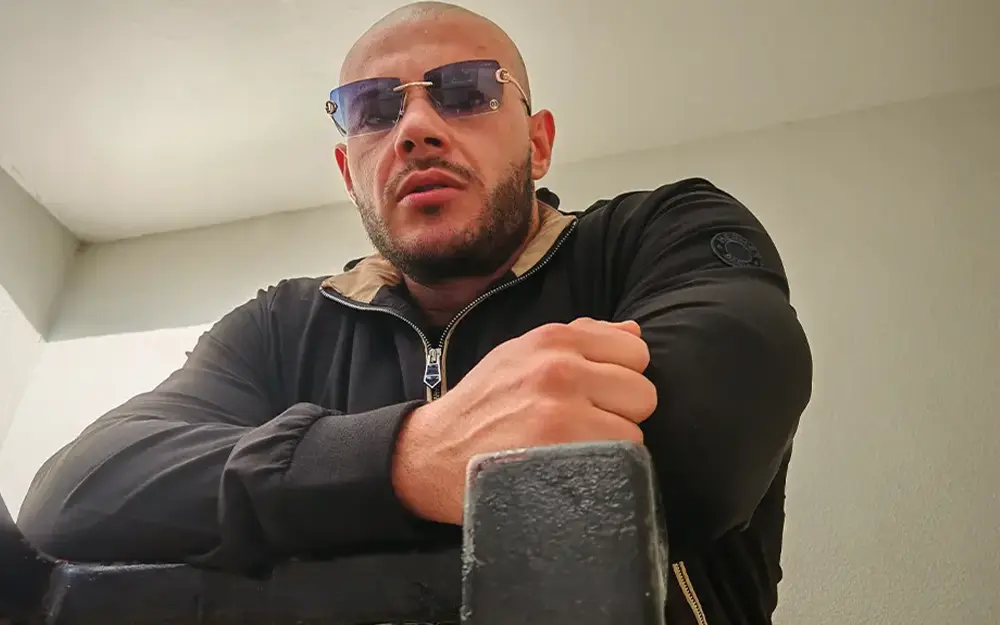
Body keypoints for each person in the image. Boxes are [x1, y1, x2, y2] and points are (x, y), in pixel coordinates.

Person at [17, 2, 812, 623]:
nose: (417, 129)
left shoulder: (657, 235)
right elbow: (76, 500)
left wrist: (284, 517)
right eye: (373, 109)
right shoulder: (279, 324)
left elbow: (704, 452)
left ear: (538, 143)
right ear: (349, 169)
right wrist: (409, 456)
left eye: (465, 91)